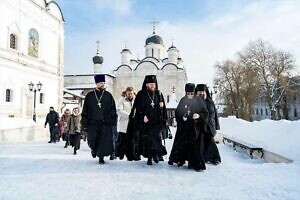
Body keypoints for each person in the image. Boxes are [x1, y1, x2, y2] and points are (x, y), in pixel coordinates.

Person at [126, 75, 167, 165]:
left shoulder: (158, 93)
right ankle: (149, 157)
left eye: (154, 84)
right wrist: (142, 116)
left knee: (156, 138)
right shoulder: (141, 94)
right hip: (145, 121)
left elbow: (163, 109)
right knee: (148, 140)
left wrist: (162, 109)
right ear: (146, 84)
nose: (153, 86)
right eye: (150, 84)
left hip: (156, 121)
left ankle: (156, 154)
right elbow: (137, 108)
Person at [168, 83, 209, 171]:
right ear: (186, 93)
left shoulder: (198, 100)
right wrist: (182, 117)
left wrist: (198, 116)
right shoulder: (183, 100)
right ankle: (180, 160)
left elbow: (205, 113)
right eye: (188, 93)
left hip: (195, 128)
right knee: (182, 144)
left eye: (191, 93)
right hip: (184, 127)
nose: (190, 95)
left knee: (195, 147)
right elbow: (177, 112)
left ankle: (195, 163)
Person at [81, 74, 117, 164]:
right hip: (92, 123)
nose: (103, 85)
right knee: (92, 139)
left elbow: (113, 109)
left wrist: (110, 119)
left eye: (104, 83)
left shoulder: (108, 95)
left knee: (103, 141)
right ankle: (93, 149)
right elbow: (85, 109)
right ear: (96, 83)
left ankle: (101, 157)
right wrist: (84, 123)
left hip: (104, 123)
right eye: (101, 83)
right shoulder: (90, 96)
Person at [195, 84, 221, 165]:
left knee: (210, 142)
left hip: (209, 126)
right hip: (199, 126)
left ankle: (215, 158)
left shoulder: (210, 102)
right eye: (199, 92)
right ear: (197, 93)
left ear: (206, 92)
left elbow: (214, 115)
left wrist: (216, 126)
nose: (201, 93)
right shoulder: (195, 102)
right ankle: (204, 158)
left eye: (203, 92)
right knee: (201, 143)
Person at [115, 87, 135, 160]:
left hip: (133, 124)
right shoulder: (122, 100)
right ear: (126, 93)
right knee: (123, 141)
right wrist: (129, 115)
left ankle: (131, 156)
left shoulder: (135, 100)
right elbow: (118, 110)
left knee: (132, 141)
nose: (130, 95)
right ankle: (121, 154)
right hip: (124, 123)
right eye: (129, 93)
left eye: (131, 93)